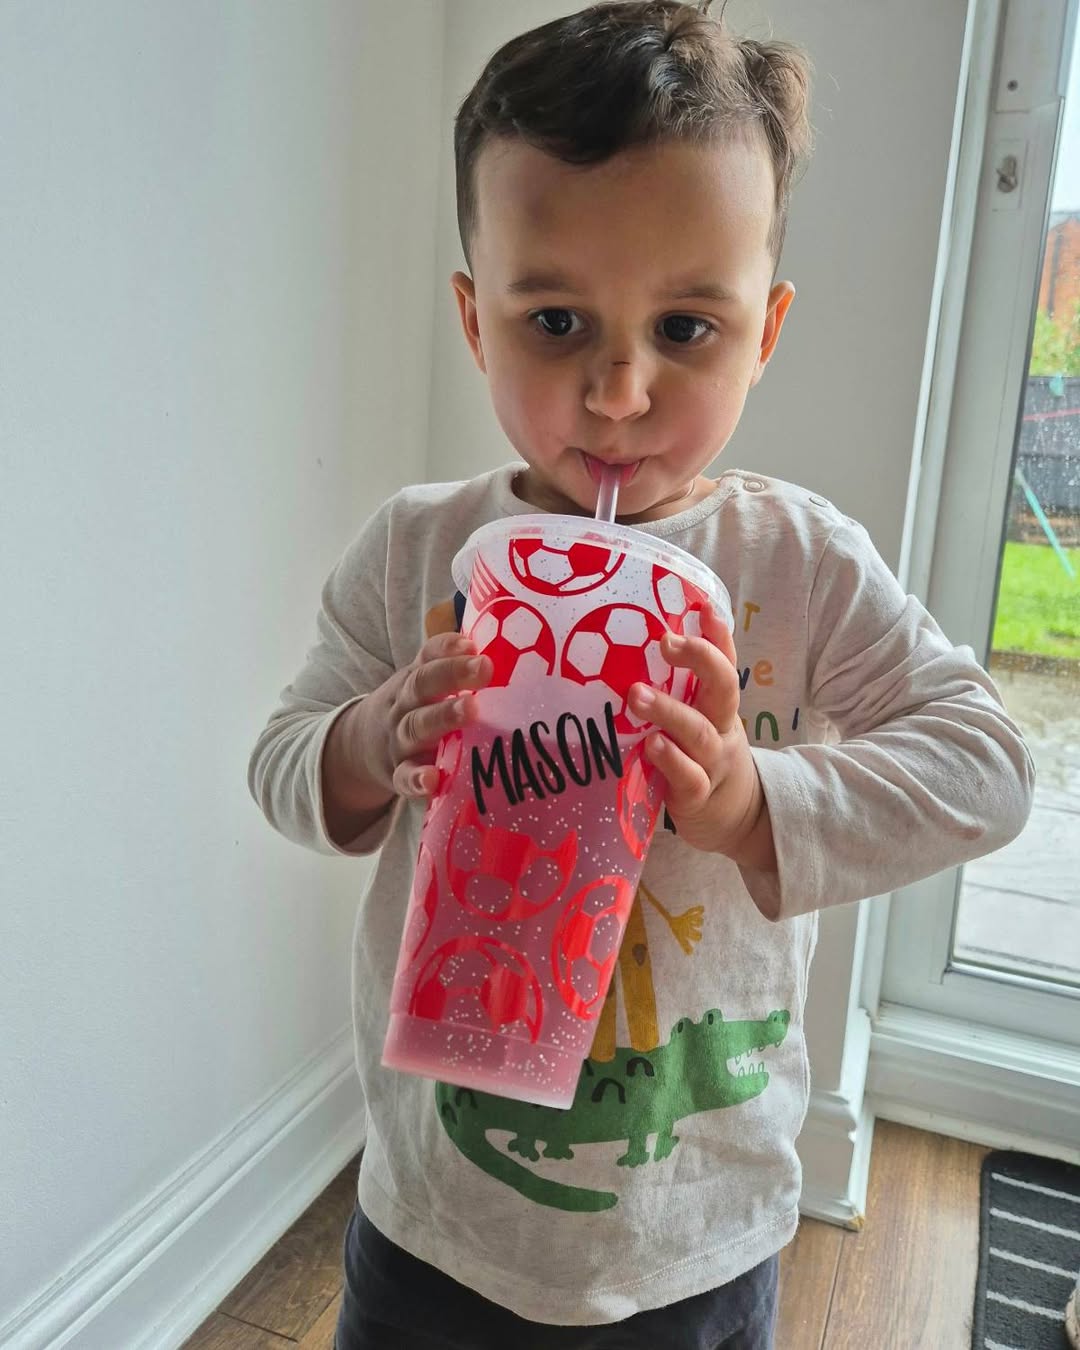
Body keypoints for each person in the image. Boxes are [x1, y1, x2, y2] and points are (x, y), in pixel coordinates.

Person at [248, 3, 1035, 1346]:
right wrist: (376, 739)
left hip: (693, 1232)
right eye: (556, 319)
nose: (618, 389)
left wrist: (748, 801)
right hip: (439, 1219)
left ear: (767, 327)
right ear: (474, 319)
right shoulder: (418, 549)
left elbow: (990, 767)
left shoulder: (796, 563)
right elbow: (279, 759)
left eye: (687, 328)